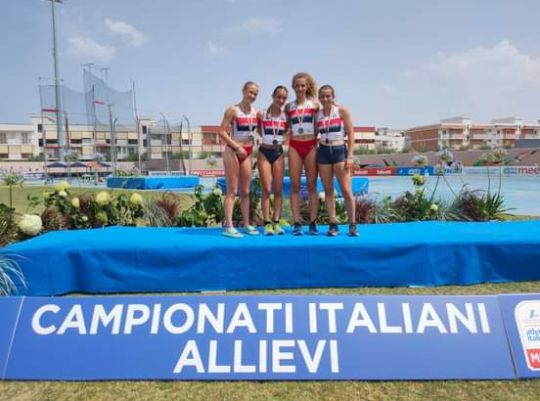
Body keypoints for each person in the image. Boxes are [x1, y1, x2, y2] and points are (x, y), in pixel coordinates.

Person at [218, 81, 260, 238]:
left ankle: (247, 224)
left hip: (247, 152)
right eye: (250, 92)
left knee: (246, 191)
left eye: (255, 94)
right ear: (243, 91)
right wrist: (237, 147)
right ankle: (228, 227)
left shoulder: (255, 113)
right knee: (232, 191)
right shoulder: (233, 110)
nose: (252, 96)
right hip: (233, 151)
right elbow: (221, 132)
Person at [316, 84, 358, 236]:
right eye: (322, 96)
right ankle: (333, 224)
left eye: (328, 96)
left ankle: (352, 225)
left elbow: (351, 133)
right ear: (319, 98)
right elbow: (314, 134)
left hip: (339, 150)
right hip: (323, 152)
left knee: (346, 190)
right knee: (328, 190)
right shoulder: (318, 114)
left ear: (333, 97)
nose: (325, 99)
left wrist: (350, 156)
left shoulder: (342, 111)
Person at [285, 72, 320, 235]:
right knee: (295, 185)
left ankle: (313, 222)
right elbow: (284, 127)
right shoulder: (289, 106)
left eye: (303, 85)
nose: (300, 88)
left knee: (312, 185)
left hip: (311, 145)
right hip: (295, 145)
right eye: (297, 85)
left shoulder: (314, 104)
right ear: (293, 87)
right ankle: (297, 222)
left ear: (307, 87)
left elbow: (321, 124)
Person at [257, 86, 289, 235]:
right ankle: (267, 224)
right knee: (266, 190)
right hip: (264, 152)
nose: (281, 100)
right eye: (279, 97)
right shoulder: (261, 114)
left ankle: (276, 223)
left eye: (284, 98)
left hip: (278, 152)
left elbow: (287, 131)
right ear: (273, 96)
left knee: (278, 190)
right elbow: (258, 130)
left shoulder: (285, 117)